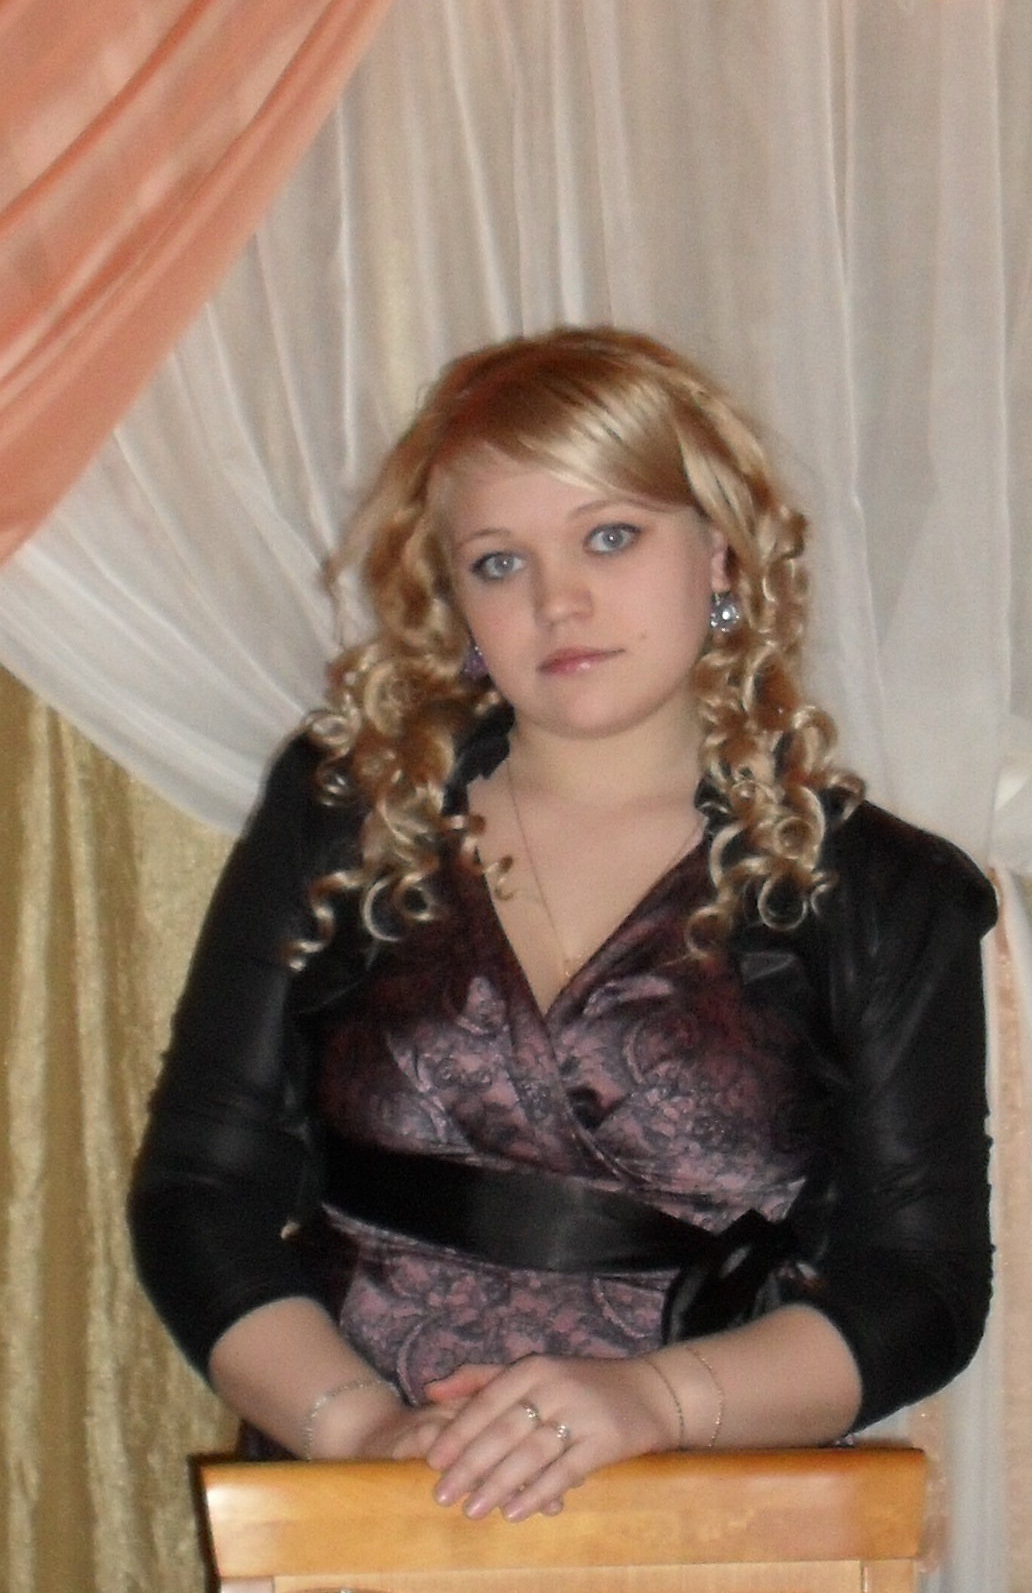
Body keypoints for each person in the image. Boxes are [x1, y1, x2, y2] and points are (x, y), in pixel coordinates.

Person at [130, 326, 994, 1524]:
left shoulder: (885, 893)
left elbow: (921, 1287)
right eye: (498, 561)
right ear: (454, 598)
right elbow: (198, 1189)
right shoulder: (343, 813)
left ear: (721, 548)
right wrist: (364, 1431)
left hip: (706, 1526)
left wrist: (652, 1402)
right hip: (361, 1518)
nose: (558, 600)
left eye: (610, 535)